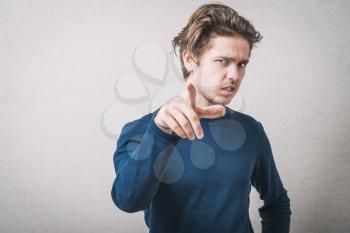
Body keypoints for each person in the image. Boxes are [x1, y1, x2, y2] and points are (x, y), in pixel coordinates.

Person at [111, 2, 292, 233]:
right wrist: (160, 132)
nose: (235, 75)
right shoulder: (142, 129)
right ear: (190, 59)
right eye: (223, 61)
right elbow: (127, 201)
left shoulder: (251, 130)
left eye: (242, 64)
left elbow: (276, 201)